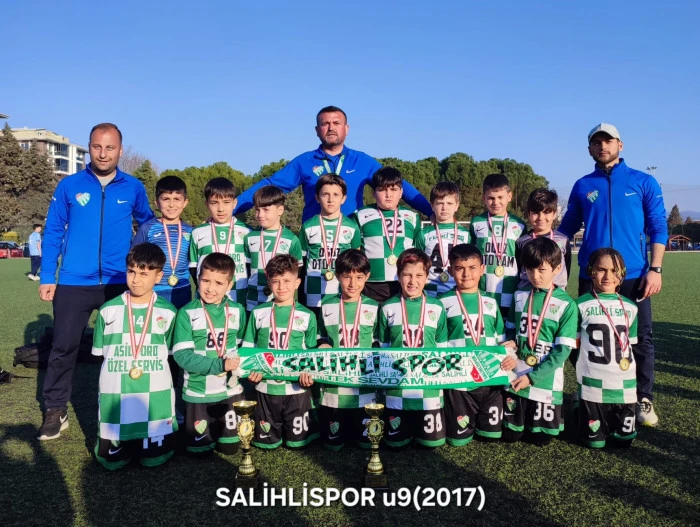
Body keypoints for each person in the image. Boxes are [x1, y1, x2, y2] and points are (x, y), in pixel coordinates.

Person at [38, 123, 154, 441]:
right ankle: (55, 409)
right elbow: (53, 231)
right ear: (89, 147)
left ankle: (130, 406)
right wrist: (48, 276)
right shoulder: (69, 185)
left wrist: (142, 266)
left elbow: (147, 225)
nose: (103, 154)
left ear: (120, 150)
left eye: (110, 147)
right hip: (73, 282)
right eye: (97, 147)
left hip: (119, 282)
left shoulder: (133, 187)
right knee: (63, 347)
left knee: (127, 349)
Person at [559, 123, 667, 427]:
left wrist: (655, 269)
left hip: (633, 275)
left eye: (608, 141)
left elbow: (658, 226)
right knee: (583, 336)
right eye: (597, 142)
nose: (602, 146)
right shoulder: (583, 185)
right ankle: (587, 390)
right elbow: (566, 227)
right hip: (592, 275)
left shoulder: (643, 181)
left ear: (620, 144)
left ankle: (642, 397)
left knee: (640, 338)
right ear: (590, 149)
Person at [233, 106, 432, 223]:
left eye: (336, 123)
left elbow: (398, 185)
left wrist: (431, 212)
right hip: (315, 241)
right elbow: (268, 186)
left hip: (352, 241)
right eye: (325, 124)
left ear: (347, 128)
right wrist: (231, 209)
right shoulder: (304, 162)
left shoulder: (362, 161)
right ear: (317, 130)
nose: (331, 128)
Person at [92, 243, 178, 469]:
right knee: (113, 461)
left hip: (155, 393)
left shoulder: (168, 311)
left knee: (154, 458)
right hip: (116, 391)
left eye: (144, 273)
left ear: (159, 276)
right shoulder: (108, 310)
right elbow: (100, 354)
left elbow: (169, 353)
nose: (136, 279)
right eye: (131, 271)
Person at [439, 244, 515, 446]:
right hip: (459, 381)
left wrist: (509, 356)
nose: (466, 274)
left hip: (490, 379)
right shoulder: (442, 303)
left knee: (491, 436)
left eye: (472, 267)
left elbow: (502, 340)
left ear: (482, 269)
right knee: (458, 440)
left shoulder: (491, 302)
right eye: (459, 268)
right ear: (450, 270)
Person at [503, 237, 577, 446]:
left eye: (542, 270)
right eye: (530, 269)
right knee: (510, 436)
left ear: (557, 268)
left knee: (541, 439)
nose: (535, 276)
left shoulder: (566, 304)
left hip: (545, 381)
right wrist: (511, 347)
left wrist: (532, 377)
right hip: (516, 374)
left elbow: (562, 351)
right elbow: (511, 333)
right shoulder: (519, 295)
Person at [242, 254, 319, 449]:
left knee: (297, 443)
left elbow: (312, 354)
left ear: (297, 283)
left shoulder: (307, 315)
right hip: (265, 386)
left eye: (287, 281)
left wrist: (309, 374)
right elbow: (248, 349)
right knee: (267, 442)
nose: (281, 286)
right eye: (276, 281)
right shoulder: (258, 313)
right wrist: (251, 370)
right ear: (269, 282)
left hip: (296, 388)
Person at [173, 253, 246, 456]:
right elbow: (182, 356)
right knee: (200, 451)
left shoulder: (238, 310)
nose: (210, 288)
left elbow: (243, 346)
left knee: (231, 448)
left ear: (229, 285)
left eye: (219, 283)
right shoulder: (186, 313)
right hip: (198, 391)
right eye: (206, 281)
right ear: (198, 279)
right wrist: (220, 365)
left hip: (230, 391)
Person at [377, 248, 448, 448]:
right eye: (407, 275)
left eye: (418, 275)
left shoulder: (437, 307)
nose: (412, 281)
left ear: (427, 277)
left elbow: (442, 349)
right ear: (398, 276)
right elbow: (383, 348)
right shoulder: (387, 307)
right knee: (396, 444)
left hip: (429, 389)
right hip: (397, 390)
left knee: (431, 444)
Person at [574, 248, 638, 448]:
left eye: (614, 270)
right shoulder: (579, 305)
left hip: (625, 384)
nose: (608, 276)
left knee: (624, 442)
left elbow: (631, 345)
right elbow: (574, 345)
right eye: (601, 269)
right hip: (593, 383)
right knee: (594, 443)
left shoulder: (631, 307)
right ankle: (578, 405)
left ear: (622, 274)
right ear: (591, 271)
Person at [316, 249, 380, 450]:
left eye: (359, 277)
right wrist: (322, 343)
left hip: (364, 386)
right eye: (346, 277)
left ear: (367, 277)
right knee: (333, 444)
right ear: (337, 276)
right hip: (333, 388)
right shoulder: (326, 305)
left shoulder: (374, 307)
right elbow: (319, 335)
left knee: (365, 442)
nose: (352, 283)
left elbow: (379, 341)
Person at [354, 167, 420, 304]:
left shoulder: (412, 217)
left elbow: (418, 251)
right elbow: (355, 251)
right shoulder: (360, 215)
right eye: (382, 190)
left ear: (401, 192)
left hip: (403, 282)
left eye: (393, 189)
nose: (388, 195)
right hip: (371, 283)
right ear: (373, 193)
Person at [299, 174, 361, 316]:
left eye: (336, 195)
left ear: (343, 198)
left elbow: (356, 263)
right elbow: (300, 264)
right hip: (313, 293)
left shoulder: (352, 227)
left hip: (342, 291)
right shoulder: (308, 226)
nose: (330, 199)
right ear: (317, 197)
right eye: (325, 194)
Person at [470, 174, 527, 318]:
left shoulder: (519, 224)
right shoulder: (476, 222)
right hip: (483, 290)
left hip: (510, 290)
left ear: (509, 196)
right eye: (491, 198)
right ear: (483, 198)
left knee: (508, 329)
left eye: (500, 197)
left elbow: (521, 260)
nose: (496, 202)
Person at [133, 175, 193, 309]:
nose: (171, 204)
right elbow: (134, 260)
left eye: (177, 199)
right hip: (154, 290)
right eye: (166, 199)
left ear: (185, 202)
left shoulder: (190, 231)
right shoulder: (147, 229)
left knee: (179, 322)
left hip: (182, 289)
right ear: (157, 203)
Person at [189, 178, 251, 306]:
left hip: (237, 297)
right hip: (207, 298)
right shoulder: (197, 232)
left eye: (226, 202)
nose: (221, 208)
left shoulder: (247, 232)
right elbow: (194, 268)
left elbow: (250, 267)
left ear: (234, 203)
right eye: (214, 203)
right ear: (207, 204)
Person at [243, 186, 303, 311]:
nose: (260, 215)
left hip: (280, 301)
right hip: (253, 301)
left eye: (266, 210)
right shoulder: (249, 237)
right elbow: (246, 269)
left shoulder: (292, 239)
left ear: (280, 210)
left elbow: (297, 272)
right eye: (257, 210)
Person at [414, 181, 471, 297]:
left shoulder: (466, 234)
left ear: (457, 206)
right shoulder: (424, 233)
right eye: (440, 203)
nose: (444, 208)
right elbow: (417, 263)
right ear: (432, 205)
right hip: (430, 291)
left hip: (456, 291)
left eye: (449, 203)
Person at [515, 188, 570, 290]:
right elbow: (518, 270)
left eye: (546, 212)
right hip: (527, 294)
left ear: (554, 214)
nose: (541, 217)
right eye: (535, 212)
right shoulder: (521, 242)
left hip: (555, 295)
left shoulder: (563, 240)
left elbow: (566, 268)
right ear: (529, 214)